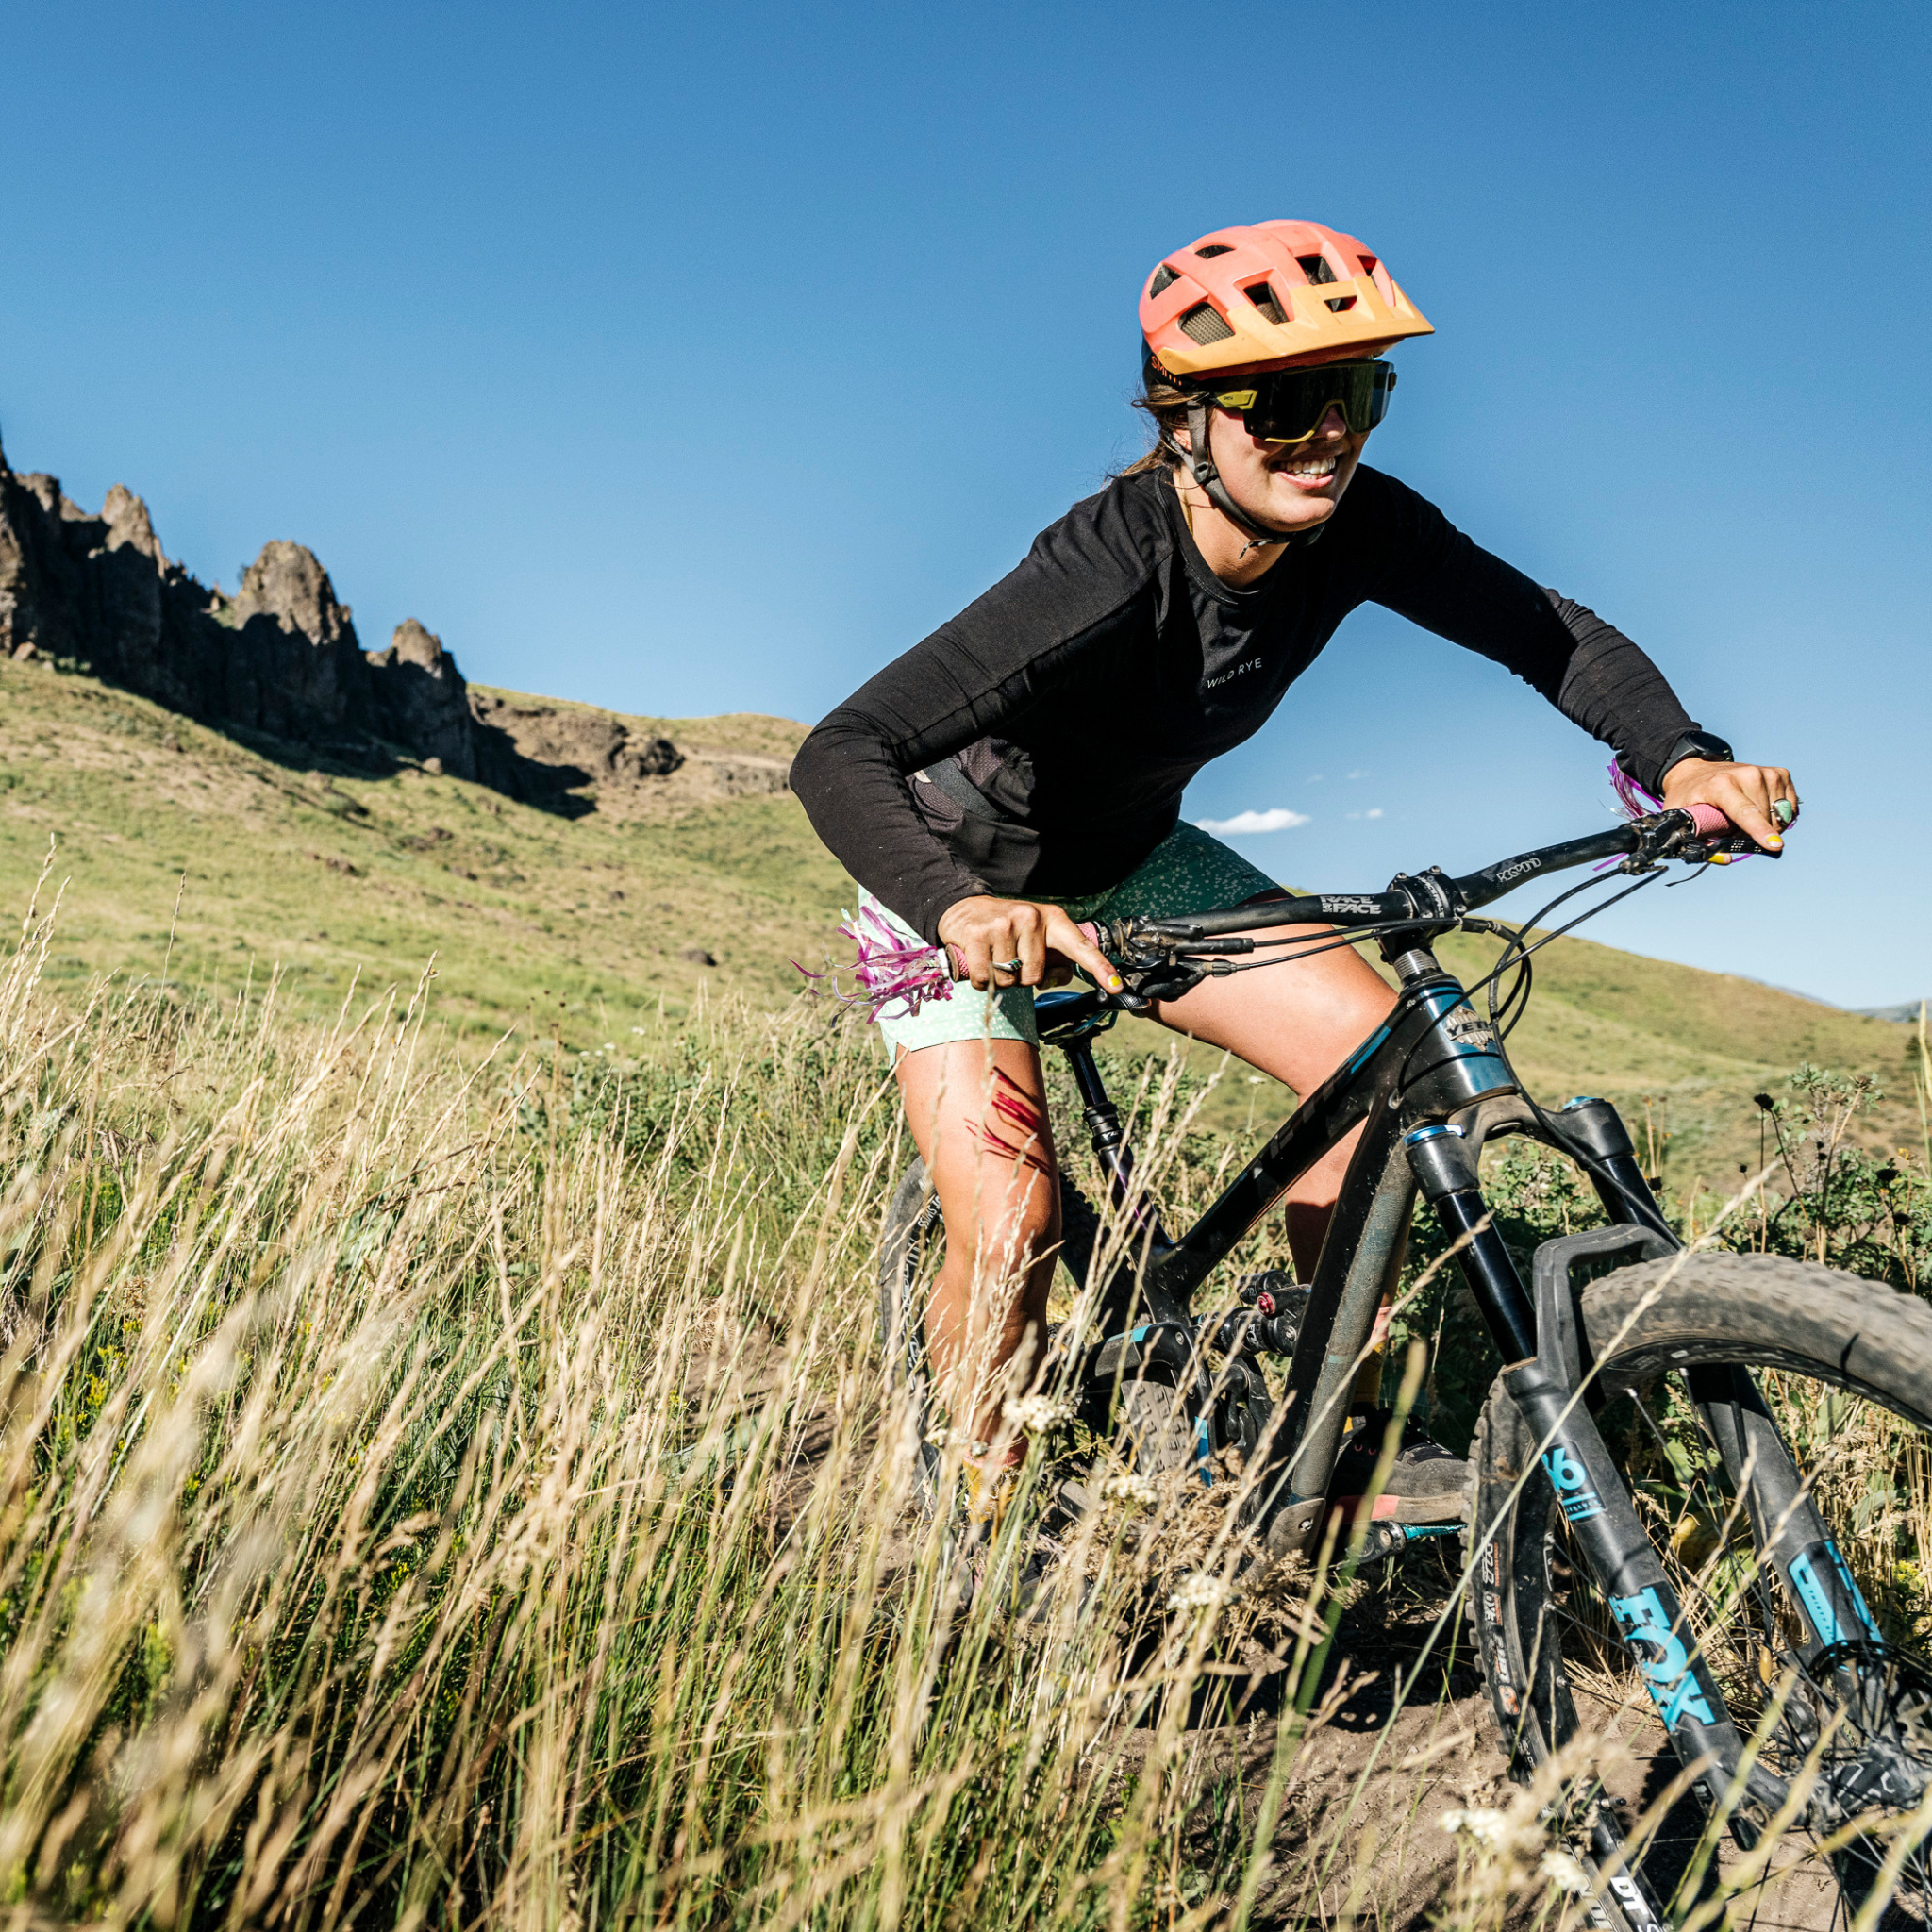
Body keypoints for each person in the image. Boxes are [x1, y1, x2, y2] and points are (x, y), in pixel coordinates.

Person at [790, 218, 1797, 1523]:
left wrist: (1683, 760)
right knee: (1014, 1228)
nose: (1332, 433)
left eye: (1361, 393)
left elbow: (1552, 635)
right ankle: (973, 1532)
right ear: (1187, 420)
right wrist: (963, 903)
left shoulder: (1361, 526)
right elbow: (842, 751)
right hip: (956, 884)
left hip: (1136, 862)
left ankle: (1328, 1452)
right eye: (1285, 402)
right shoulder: (1102, 569)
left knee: (1385, 1073)